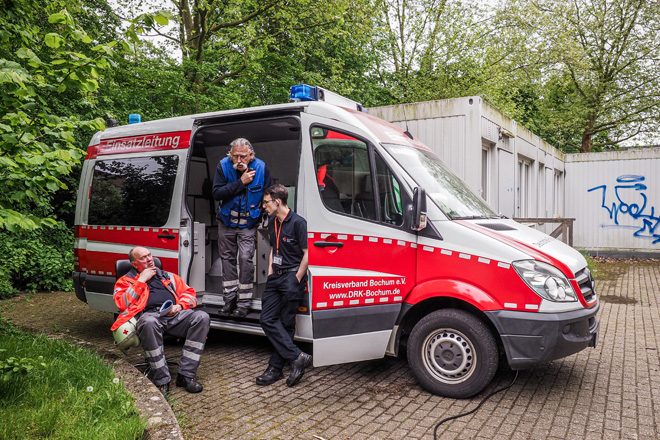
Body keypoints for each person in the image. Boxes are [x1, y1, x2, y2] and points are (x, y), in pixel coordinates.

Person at [111, 247, 210, 397]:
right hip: (148, 317)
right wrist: (141, 280)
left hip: (173, 315)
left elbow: (190, 294)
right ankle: (162, 379)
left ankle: (186, 375)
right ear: (134, 264)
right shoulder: (125, 281)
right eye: (143, 258)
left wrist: (179, 306)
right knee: (149, 322)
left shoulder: (167, 275)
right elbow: (122, 303)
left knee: (202, 317)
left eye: (149, 255)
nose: (149, 259)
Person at [256, 184, 312, 387]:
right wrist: (271, 270)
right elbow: (273, 247)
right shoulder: (272, 221)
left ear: (277, 201)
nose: (264, 206)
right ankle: (297, 356)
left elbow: (307, 253)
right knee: (267, 319)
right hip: (275, 277)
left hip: (291, 277)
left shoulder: (298, 223)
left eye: (266, 202)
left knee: (287, 323)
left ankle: (275, 368)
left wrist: (297, 277)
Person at [212, 137, 273, 318]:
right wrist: (241, 182)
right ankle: (229, 299)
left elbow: (268, 194)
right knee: (227, 259)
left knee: (246, 258)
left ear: (251, 155)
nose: (239, 160)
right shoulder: (223, 166)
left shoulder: (261, 168)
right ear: (230, 154)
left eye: (243, 156)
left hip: (249, 223)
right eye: (235, 156)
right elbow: (217, 193)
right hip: (226, 222)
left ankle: (244, 303)